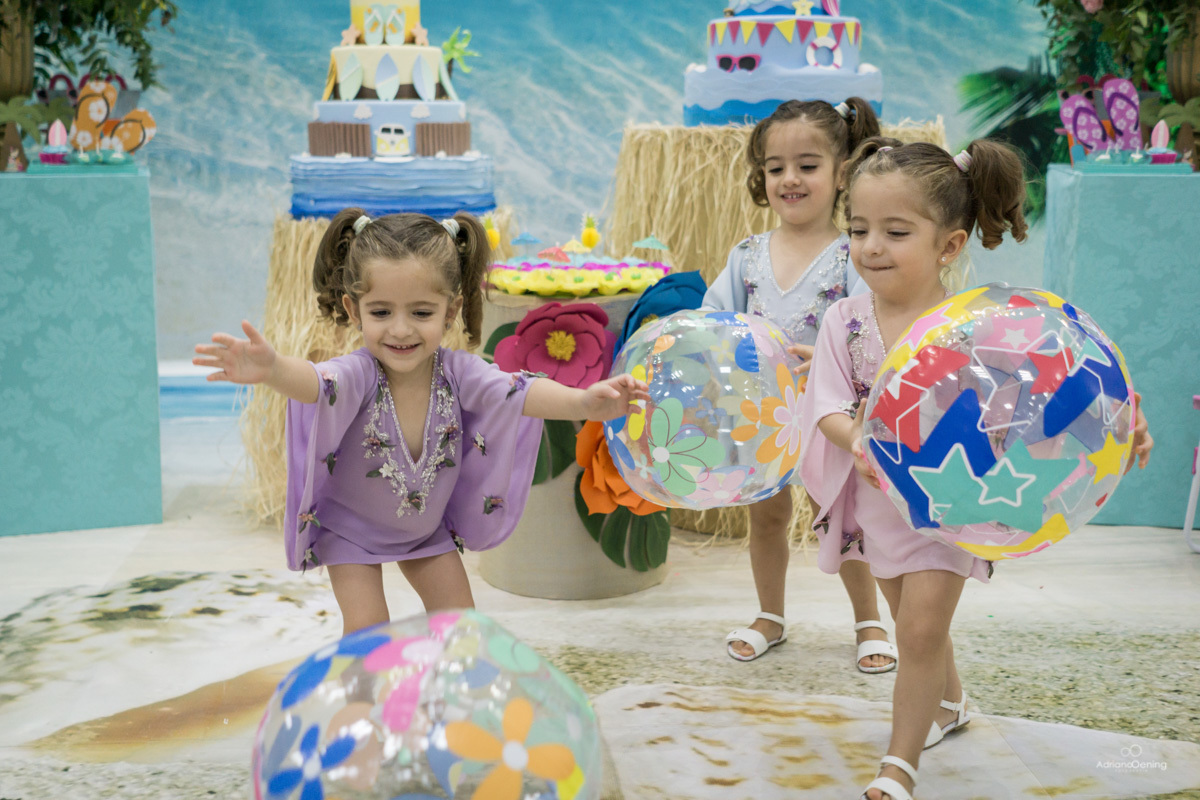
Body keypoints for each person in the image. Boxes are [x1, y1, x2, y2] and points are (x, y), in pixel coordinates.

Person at [800, 137, 1154, 800]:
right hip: (882, 503)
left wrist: (1123, 421)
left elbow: (1055, 384)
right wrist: (856, 438)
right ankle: (951, 704)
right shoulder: (843, 324)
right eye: (858, 229)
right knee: (910, 617)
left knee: (922, 629)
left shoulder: (980, 325)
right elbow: (825, 406)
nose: (872, 245)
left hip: (957, 503)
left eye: (895, 231)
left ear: (950, 245)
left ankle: (898, 767)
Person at [194, 209, 648, 636]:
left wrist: (585, 403)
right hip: (349, 531)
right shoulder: (358, 374)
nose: (401, 330)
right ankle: (365, 710)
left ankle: (449, 705)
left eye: (421, 312)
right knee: (369, 632)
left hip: (423, 530)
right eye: (381, 312)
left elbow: (519, 391)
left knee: (460, 628)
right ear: (354, 311)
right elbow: (316, 383)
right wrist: (273, 370)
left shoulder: (458, 373)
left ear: (450, 310)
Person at [703, 98, 898, 673]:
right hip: (763, 415)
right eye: (775, 166)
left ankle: (869, 621)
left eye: (807, 165)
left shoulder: (852, 256)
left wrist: (835, 362)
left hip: (831, 417)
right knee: (764, 516)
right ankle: (770, 615)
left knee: (845, 515)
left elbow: (877, 328)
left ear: (842, 172)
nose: (789, 178)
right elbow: (716, 320)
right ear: (761, 176)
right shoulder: (747, 257)